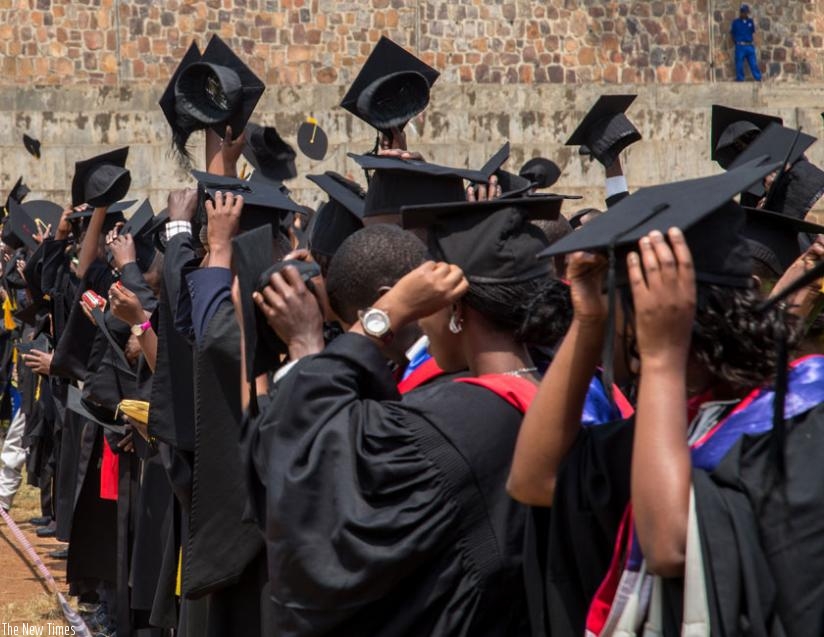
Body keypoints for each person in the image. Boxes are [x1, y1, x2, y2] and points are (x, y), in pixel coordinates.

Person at [731, 4, 762, 82]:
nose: (744, 14)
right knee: (739, 63)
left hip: (749, 46)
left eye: (745, 12)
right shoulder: (735, 22)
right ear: (740, 12)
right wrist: (736, 42)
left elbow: (752, 32)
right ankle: (740, 78)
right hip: (740, 46)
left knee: (753, 63)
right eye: (742, 12)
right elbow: (732, 33)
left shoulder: (750, 22)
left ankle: (758, 78)